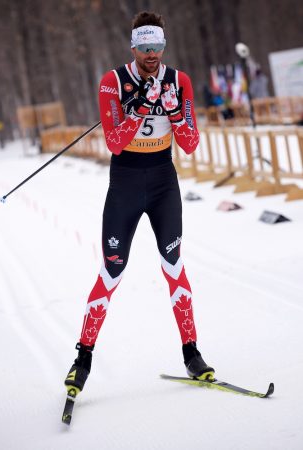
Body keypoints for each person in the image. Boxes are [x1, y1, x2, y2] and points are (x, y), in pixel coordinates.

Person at [64, 11, 214, 397]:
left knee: (173, 265)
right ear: (133, 47)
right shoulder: (112, 82)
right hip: (126, 182)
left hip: (163, 181)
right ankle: (82, 358)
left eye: (158, 47)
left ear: (164, 46)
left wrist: (177, 112)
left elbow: (192, 144)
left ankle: (192, 353)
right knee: (111, 270)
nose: (152, 54)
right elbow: (113, 142)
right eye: (145, 48)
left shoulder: (179, 81)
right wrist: (143, 107)